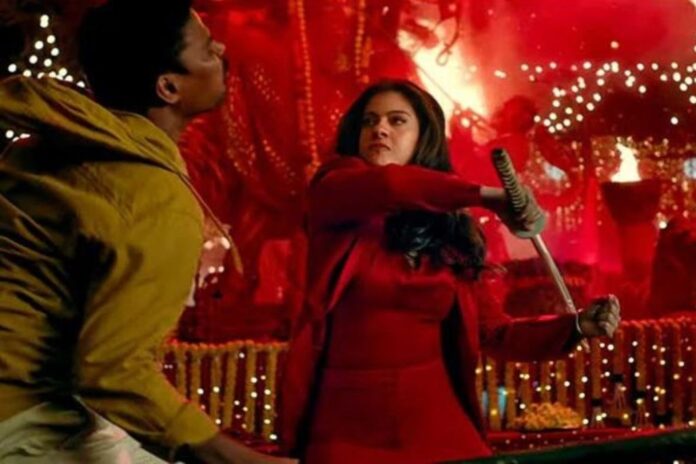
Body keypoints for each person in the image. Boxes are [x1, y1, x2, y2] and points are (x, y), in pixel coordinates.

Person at [0, 1, 295, 463]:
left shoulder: (53, 144)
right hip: (21, 416)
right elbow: (111, 371)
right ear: (168, 87)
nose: (220, 49)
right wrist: (234, 457)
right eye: (205, 49)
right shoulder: (153, 197)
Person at [280, 79, 621, 463]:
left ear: (424, 137)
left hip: (438, 425)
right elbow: (390, 185)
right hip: (346, 430)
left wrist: (576, 326)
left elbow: (495, 333)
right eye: (369, 121)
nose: (379, 129)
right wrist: (487, 196)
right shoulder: (334, 190)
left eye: (396, 120)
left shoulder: (450, 230)